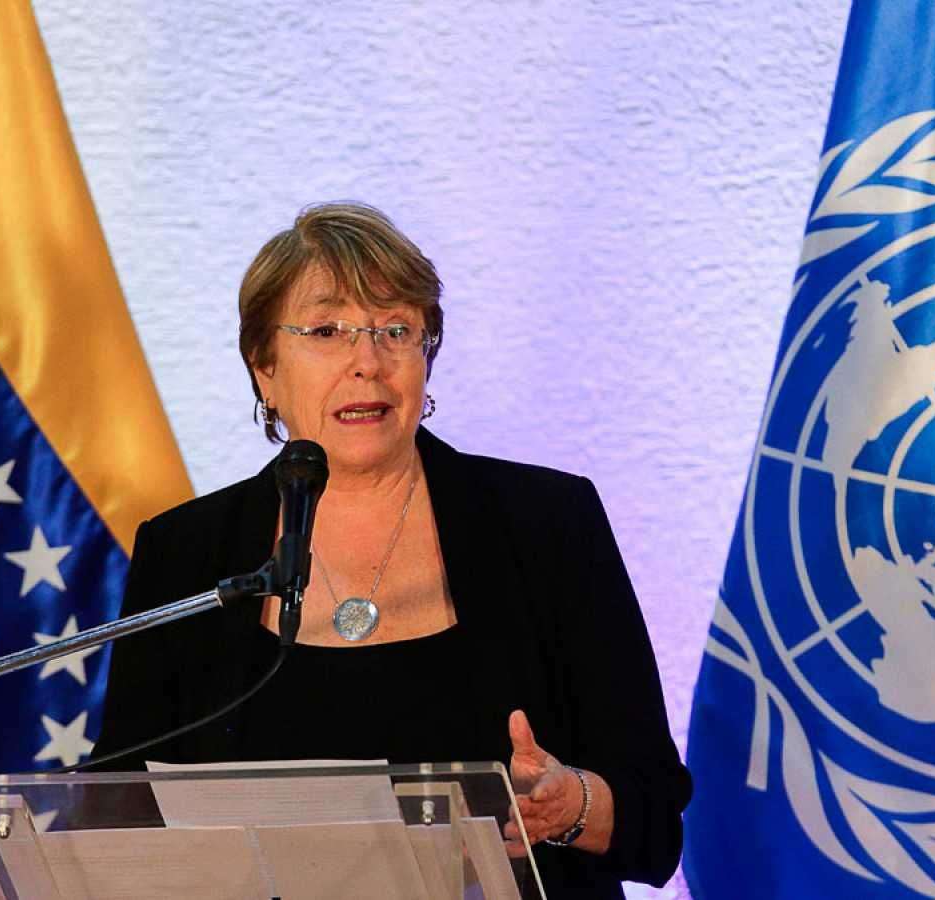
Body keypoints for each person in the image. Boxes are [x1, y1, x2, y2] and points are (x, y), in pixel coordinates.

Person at [93, 202, 691, 896]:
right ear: (265, 368)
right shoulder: (187, 554)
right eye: (326, 331)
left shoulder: (547, 525)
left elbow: (656, 820)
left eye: (396, 330)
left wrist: (568, 804)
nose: (368, 364)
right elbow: (119, 811)